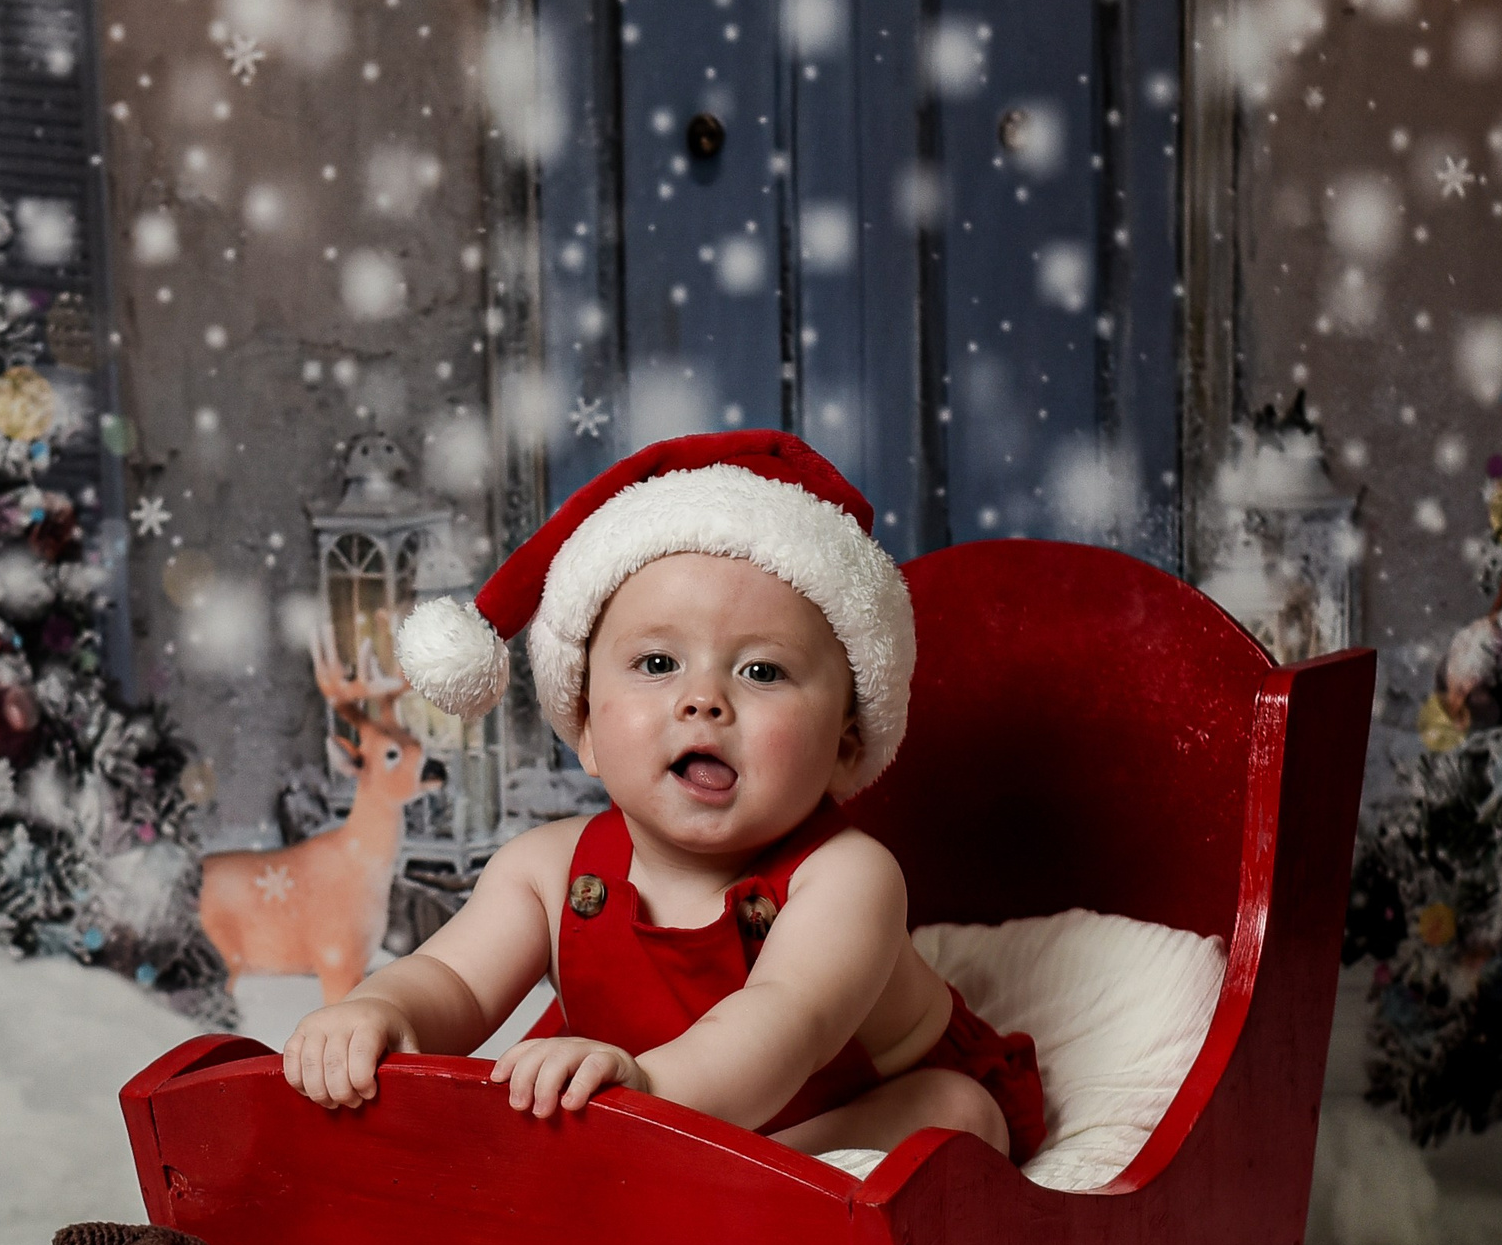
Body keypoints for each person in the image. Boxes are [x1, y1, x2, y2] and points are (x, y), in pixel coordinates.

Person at [279, 431, 1043, 1162]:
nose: (703, 700)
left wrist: (648, 1088)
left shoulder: (848, 877)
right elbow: (453, 979)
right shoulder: (546, 872)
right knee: (514, 1111)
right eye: (655, 662)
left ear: (846, 746)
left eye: (762, 672)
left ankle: (738, 1179)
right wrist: (383, 1009)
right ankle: (670, 1174)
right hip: (637, 1107)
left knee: (957, 1121)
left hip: (832, 1106)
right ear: (582, 724)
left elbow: (785, 1021)